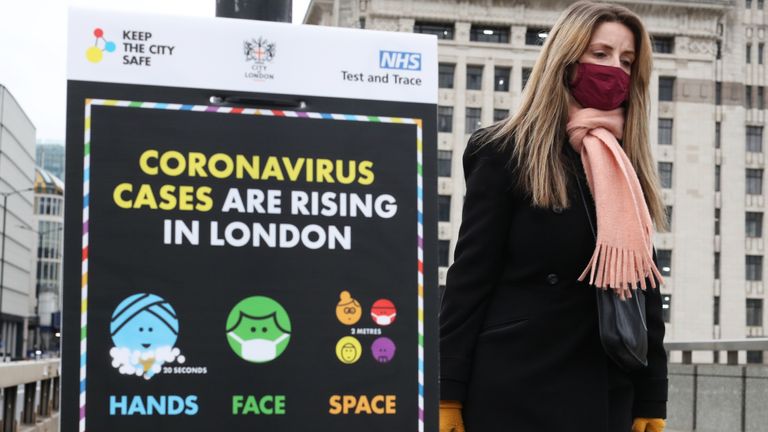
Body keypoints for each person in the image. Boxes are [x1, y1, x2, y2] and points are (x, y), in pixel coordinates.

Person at [438, 2, 669, 431]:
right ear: (565, 57)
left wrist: (652, 397)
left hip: (606, 390)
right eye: (600, 54)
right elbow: (470, 278)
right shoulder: (505, 151)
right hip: (517, 387)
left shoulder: (622, 164)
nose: (614, 69)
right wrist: (446, 390)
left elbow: (644, 287)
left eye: (626, 60)